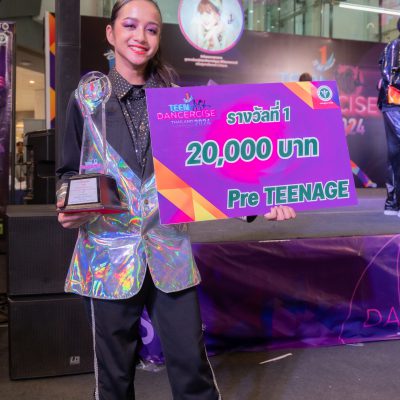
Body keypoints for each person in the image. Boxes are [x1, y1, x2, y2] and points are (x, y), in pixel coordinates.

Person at [56, 1, 296, 399]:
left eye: (151, 29)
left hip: (169, 252)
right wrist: (69, 205)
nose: (140, 36)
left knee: (191, 369)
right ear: (111, 33)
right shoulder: (87, 99)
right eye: (130, 26)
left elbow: (212, 171)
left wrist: (259, 201)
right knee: (114, 380)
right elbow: (67, 171)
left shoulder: (181, 103)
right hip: (106, 257)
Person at [378, 18, 400, 216]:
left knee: (395, 155)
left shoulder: (392, 47)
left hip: (393, 105)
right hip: (394, 105)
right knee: (395, 155)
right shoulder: (395, 47)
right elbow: (390, 77)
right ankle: (394, 203)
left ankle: (393, 203)